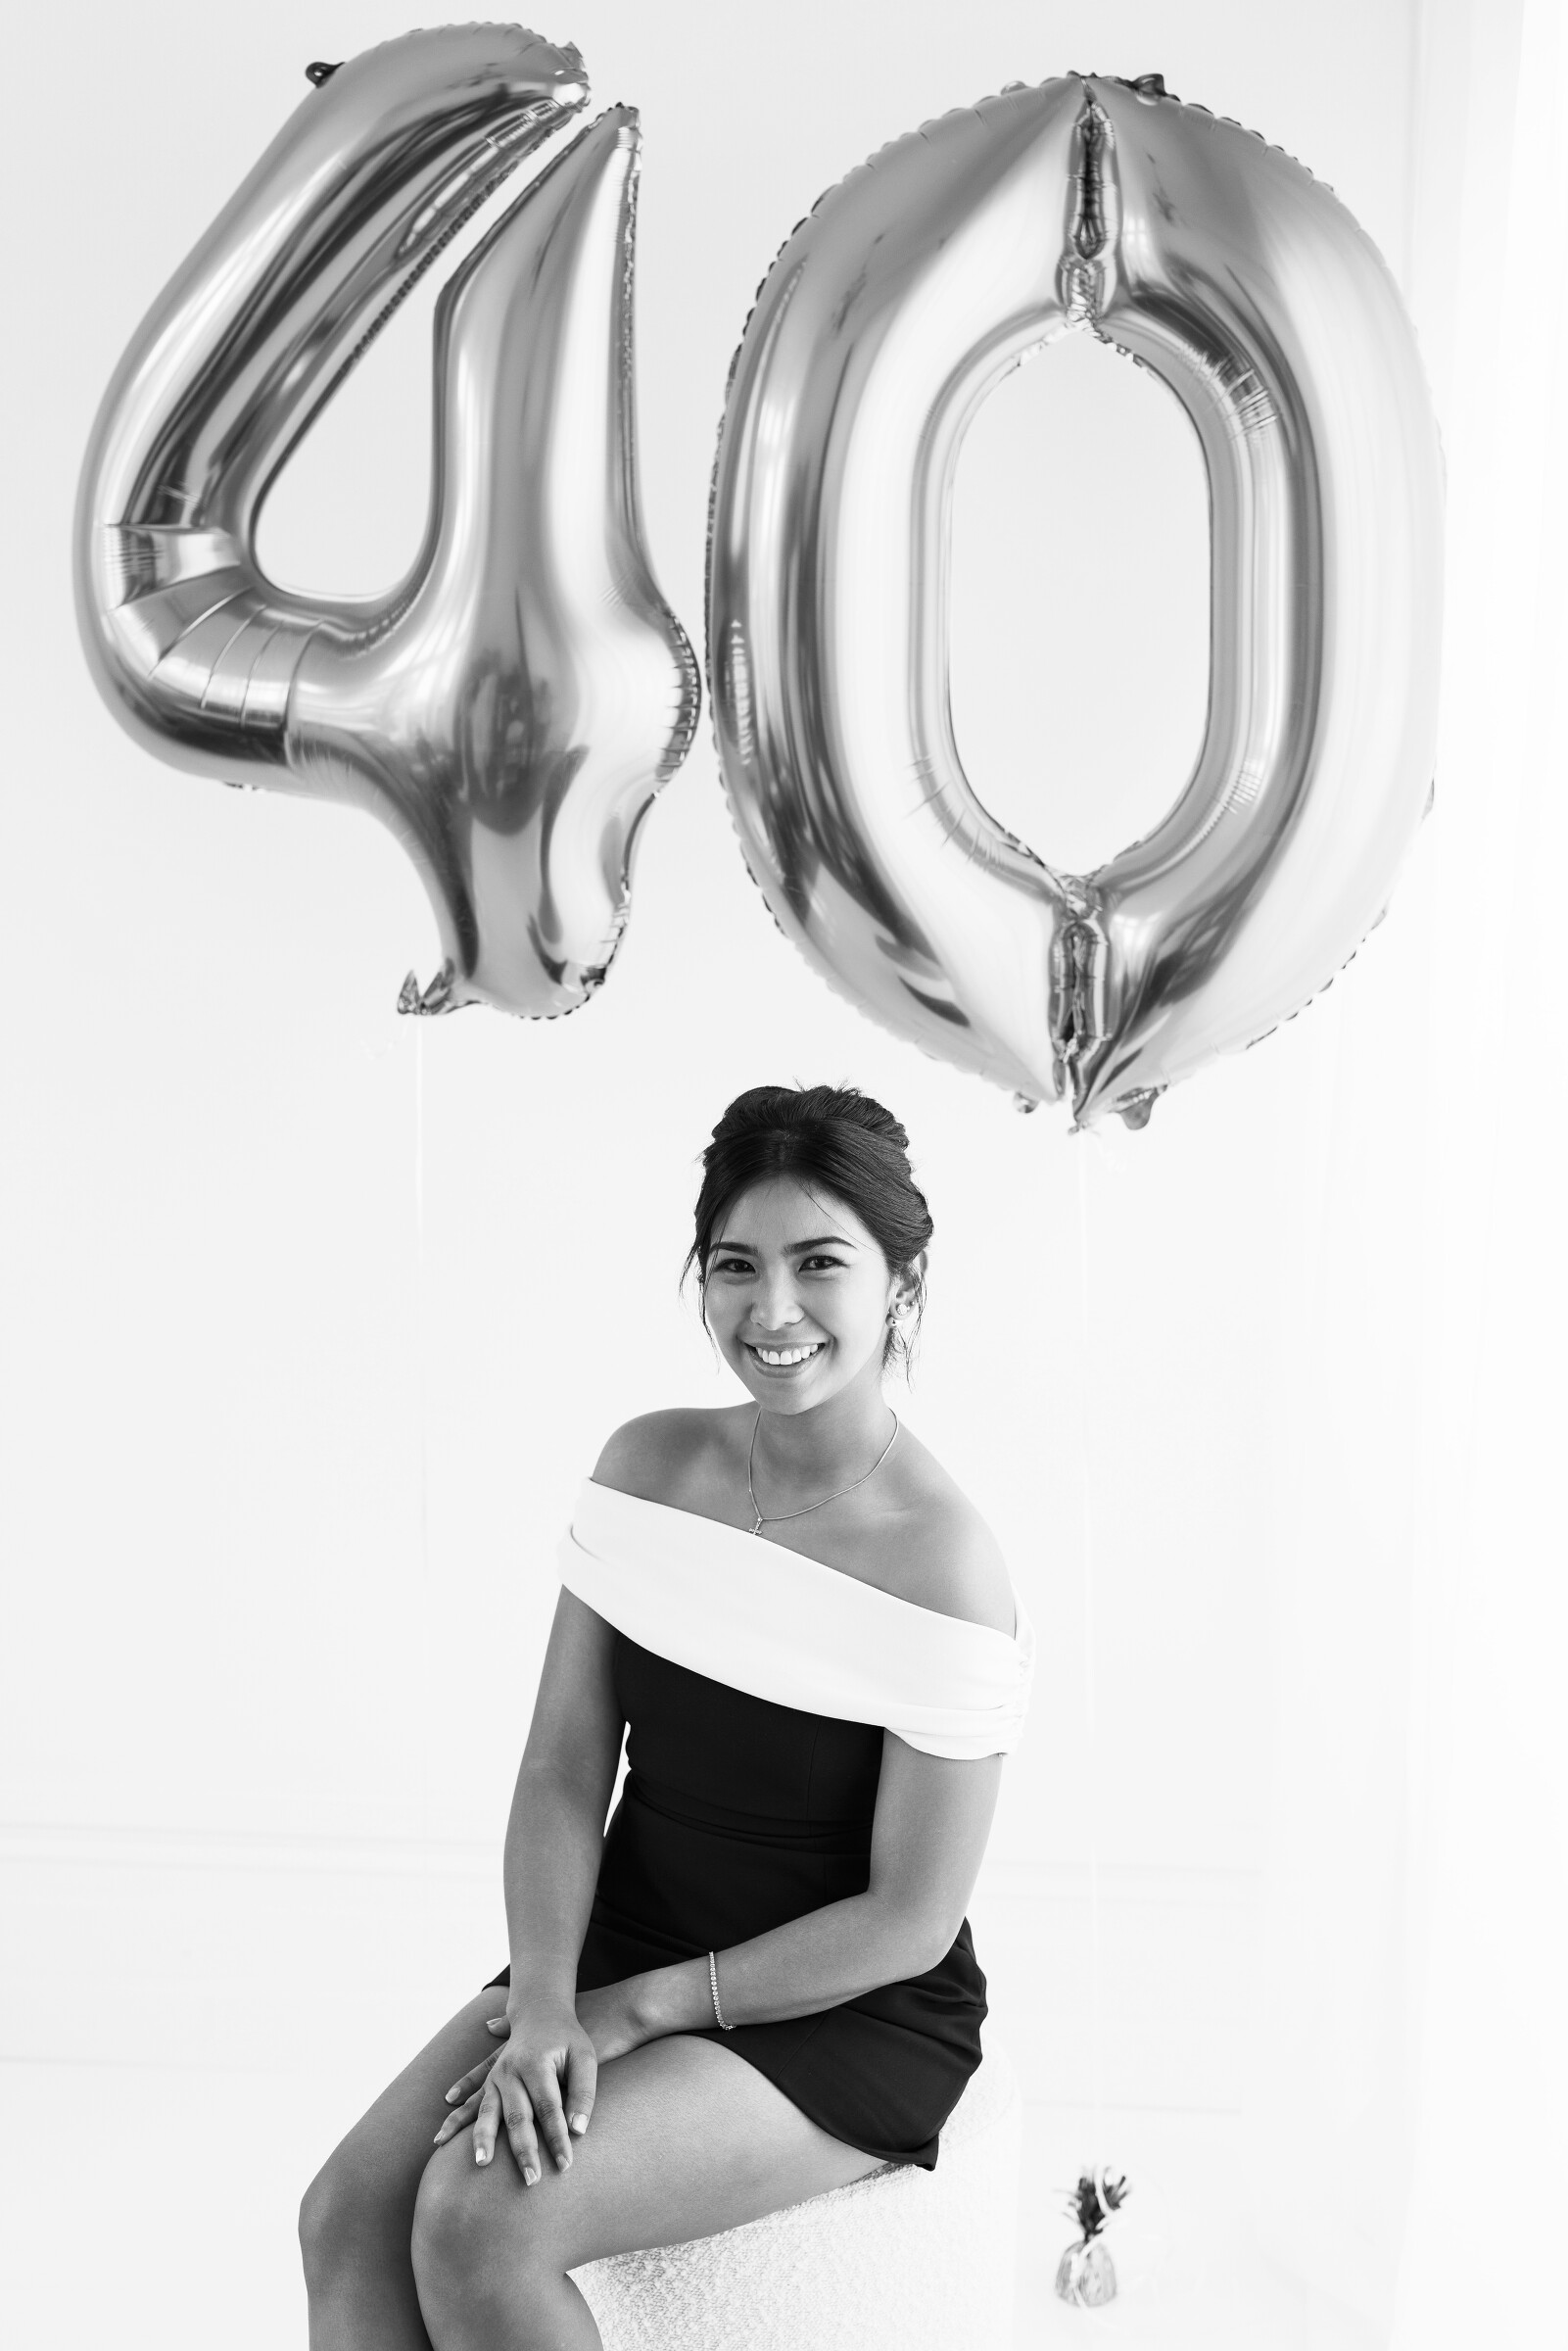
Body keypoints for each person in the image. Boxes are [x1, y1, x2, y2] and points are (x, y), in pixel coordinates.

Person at [298, 1082, 1034, 2350]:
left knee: (478, 2221)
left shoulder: (945, 1564)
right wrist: (545, 1999)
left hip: (841, 2002)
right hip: (627, 1933)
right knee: (346, 2213)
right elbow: (561, 1767)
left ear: (901, 1283)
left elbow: (909, 1919)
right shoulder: (646, 1468)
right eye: (736, 1265)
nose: (773, 1309)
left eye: (820, 1263)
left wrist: (638, 2009)